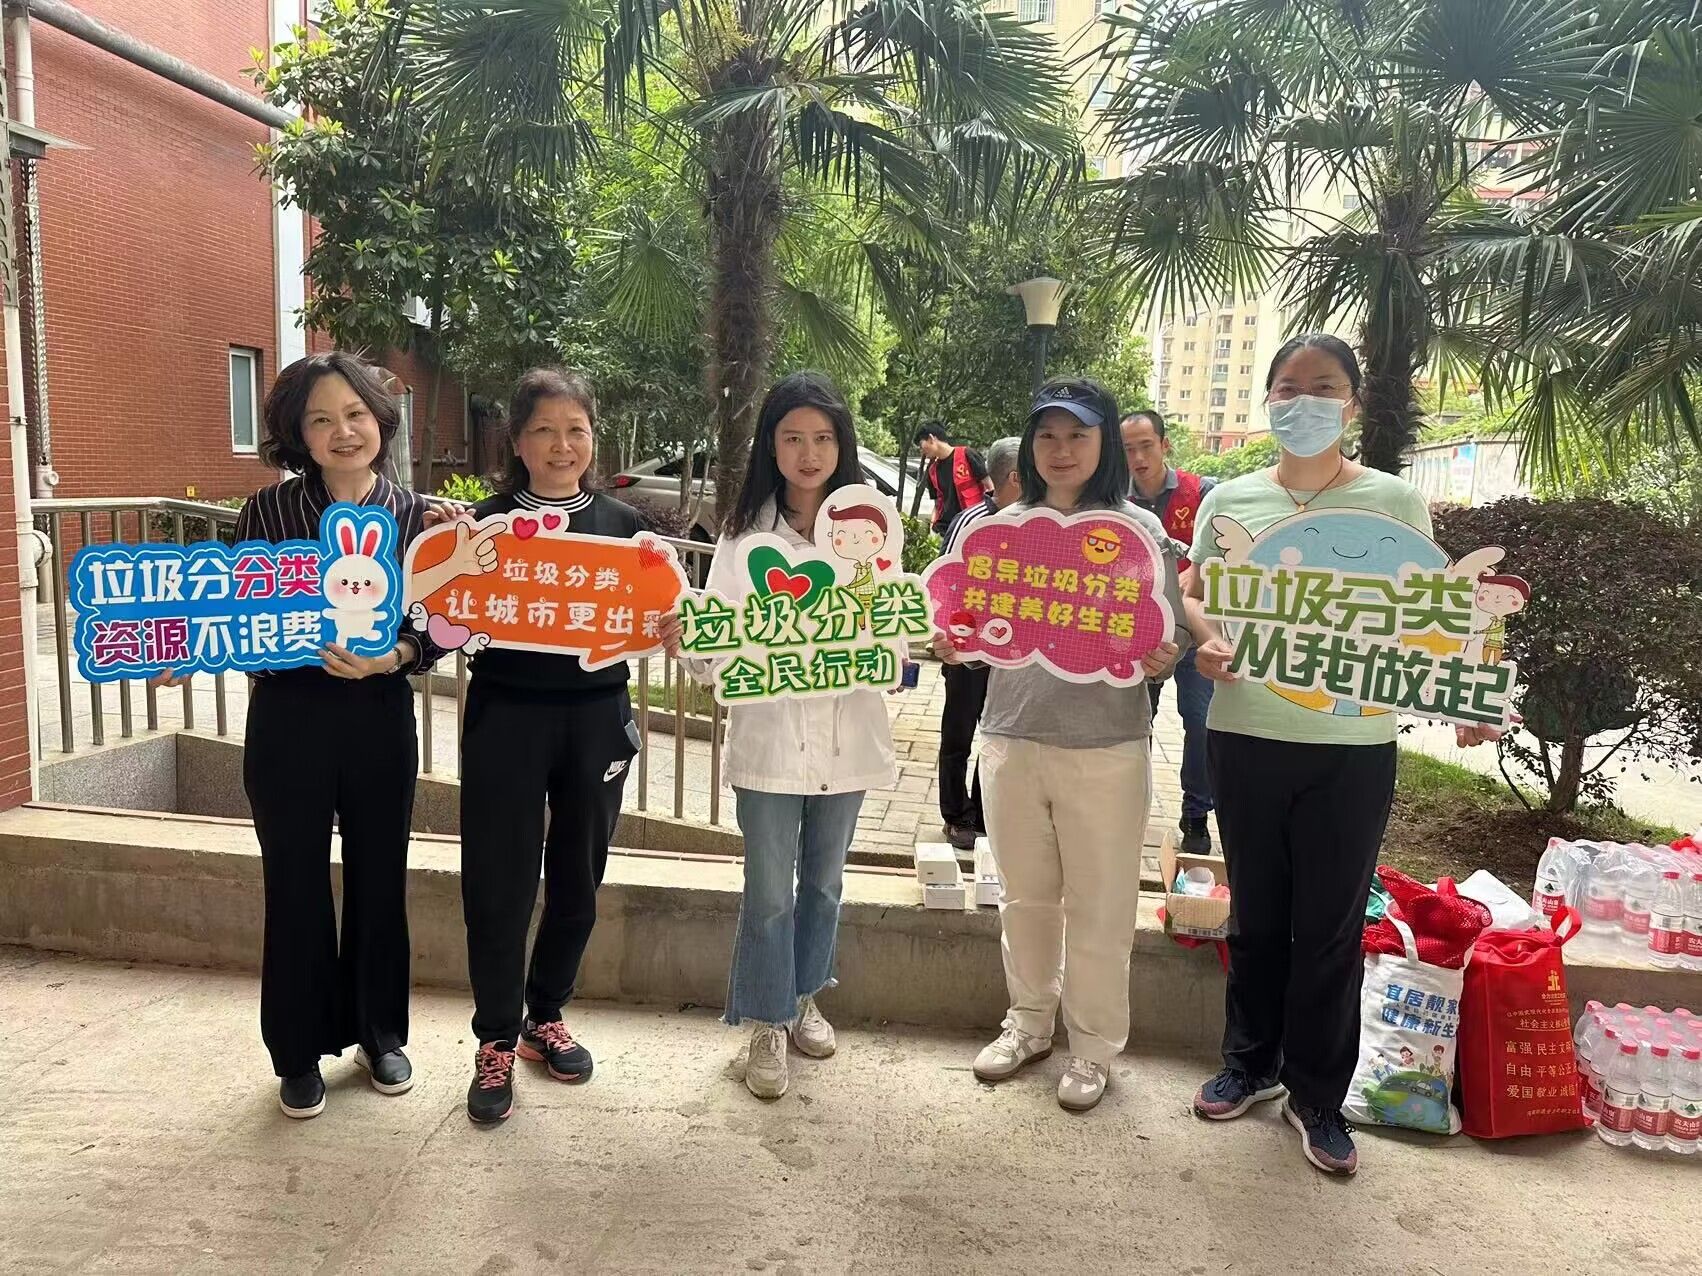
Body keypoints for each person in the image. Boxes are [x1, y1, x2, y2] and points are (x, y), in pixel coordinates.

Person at [1185, 334, 1503, 1175]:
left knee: (1329, 927)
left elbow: (1431, 613)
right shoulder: (1232, 498)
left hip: (1352, 746)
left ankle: (1318, 1096)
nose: (1304, 402)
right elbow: (1194, 592)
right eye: (1287, 388)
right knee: (1256, 915)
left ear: (1353, 403)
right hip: (1245, 732)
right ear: (1268, 401)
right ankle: (1248, 1064)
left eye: (1323, 387)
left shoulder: (1393, 501)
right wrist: (1206, 640)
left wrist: (1465, 691)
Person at [933, 377, 1188, 1114]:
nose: (1062, 449)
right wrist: (952, 642)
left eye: (1078, 434)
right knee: (1024, 898)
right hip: (1011, 738)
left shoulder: (1139, 531)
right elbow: (966, 626)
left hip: (1106, 747)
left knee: (1103, 906)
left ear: (1104, 443)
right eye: (1047, 435)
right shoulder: (998, 529)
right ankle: (1028, 1023)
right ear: (1029, 445)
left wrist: (1163, 654)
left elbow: (1169, 627)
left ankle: (1094, 1047)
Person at [203, 352, 444, 1119]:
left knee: (381, 875)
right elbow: (231, 615)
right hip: (290, 717)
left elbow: (438, 626)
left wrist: (393, 656)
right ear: (297, 434)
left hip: (378, 713)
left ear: (380, 421)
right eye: (321, 419)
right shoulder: (266, 514)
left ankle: (381, 1034)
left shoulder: (417, 516)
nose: (343, 431)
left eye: (355, 415)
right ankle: (297, 1051)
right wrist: (189, 643)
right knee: (294, 882)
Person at [660, 371, 897, 1101]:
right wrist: (690, 639)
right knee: (769, 891)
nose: (808, 453)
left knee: (824, 885)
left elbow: (893, 635)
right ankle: (766, 1022)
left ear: (842, 445)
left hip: (848, 741)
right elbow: (717, 654)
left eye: (823, 438)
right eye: (792, 437)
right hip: (767, 744)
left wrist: (911, 643)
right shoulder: (744, 535)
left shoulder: (871, 531)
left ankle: (802, 997)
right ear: (771, 445)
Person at [459, 368, 644, 1125]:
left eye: (576, 430)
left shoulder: (625, 526)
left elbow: (655, 613)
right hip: (506, 716)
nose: (561, 445)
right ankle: (496, 1038)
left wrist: (673, 625)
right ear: (517, 441)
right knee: (497, 881)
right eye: (543, 430)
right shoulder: (483, 524)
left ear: (593, 438)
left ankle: (546, 1014)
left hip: (597, 717)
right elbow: (443, 612)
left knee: (578, 878)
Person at [1122, 409, 1218, 854]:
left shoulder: (1204, 494)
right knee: (1135, 721)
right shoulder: (1114, 502)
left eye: (1146, 446)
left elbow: (1226, 555)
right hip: (1139, 635)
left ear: (1164, 445)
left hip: (1196, 633)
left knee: (1201, 723)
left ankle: (1196, 814)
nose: (1138, 458)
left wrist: (1193, 576)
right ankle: (1128, 804)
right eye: (1128, 449)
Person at [935, 436, 1021, 851]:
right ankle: (956, 814)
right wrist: (953, 644)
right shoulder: (971, 521)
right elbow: (946, 583)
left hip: (1012, 651)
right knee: (959, 731)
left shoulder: (1035, 522)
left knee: (997, 734)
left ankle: (985, 812)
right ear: (1016, 477)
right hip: (968, 648)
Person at [914, 422, 992, 536]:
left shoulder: (967, 455)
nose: (922, 451)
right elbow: (937, 504)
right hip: (946, 530)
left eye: (921, 446)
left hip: (972, 525)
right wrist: (932, 528)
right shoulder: (932, 471)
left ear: (931, 439)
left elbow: (990, 487)